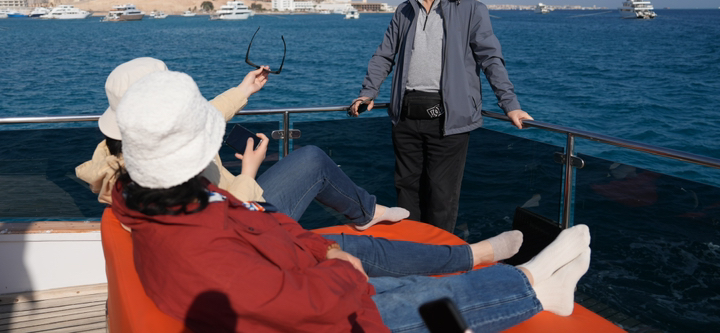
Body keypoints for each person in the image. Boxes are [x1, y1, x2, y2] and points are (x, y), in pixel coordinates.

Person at [112, 70, 591, 332]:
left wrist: (324, 252)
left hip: (298, 275)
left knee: (399, 285)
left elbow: (265, 226)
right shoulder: (196, 249)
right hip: (308, 318)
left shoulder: (184, 198)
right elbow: (291, 306)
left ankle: (501, 271)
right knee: (421, 303)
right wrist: (344, 271)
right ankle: (532, 286)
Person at [77, 57, 409, 229]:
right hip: (248, 219)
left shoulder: (119, 154)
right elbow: (223, 221)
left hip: (236, 206)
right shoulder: (168, 168)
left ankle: (365, 212)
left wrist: (243, 90)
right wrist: (249, 172)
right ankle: (366, 213)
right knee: (313, 160)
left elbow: (204, 117)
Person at [350, 0, 533, 233]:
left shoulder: (472, 9)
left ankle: (440, 255)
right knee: (406, 191)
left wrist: (510, 104)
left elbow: (490, 59)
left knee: (441, 197)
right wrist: (368, 93)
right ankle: (409, 251)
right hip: (405, 116)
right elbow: (384, 55)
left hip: (449, 119)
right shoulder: (404, 10)